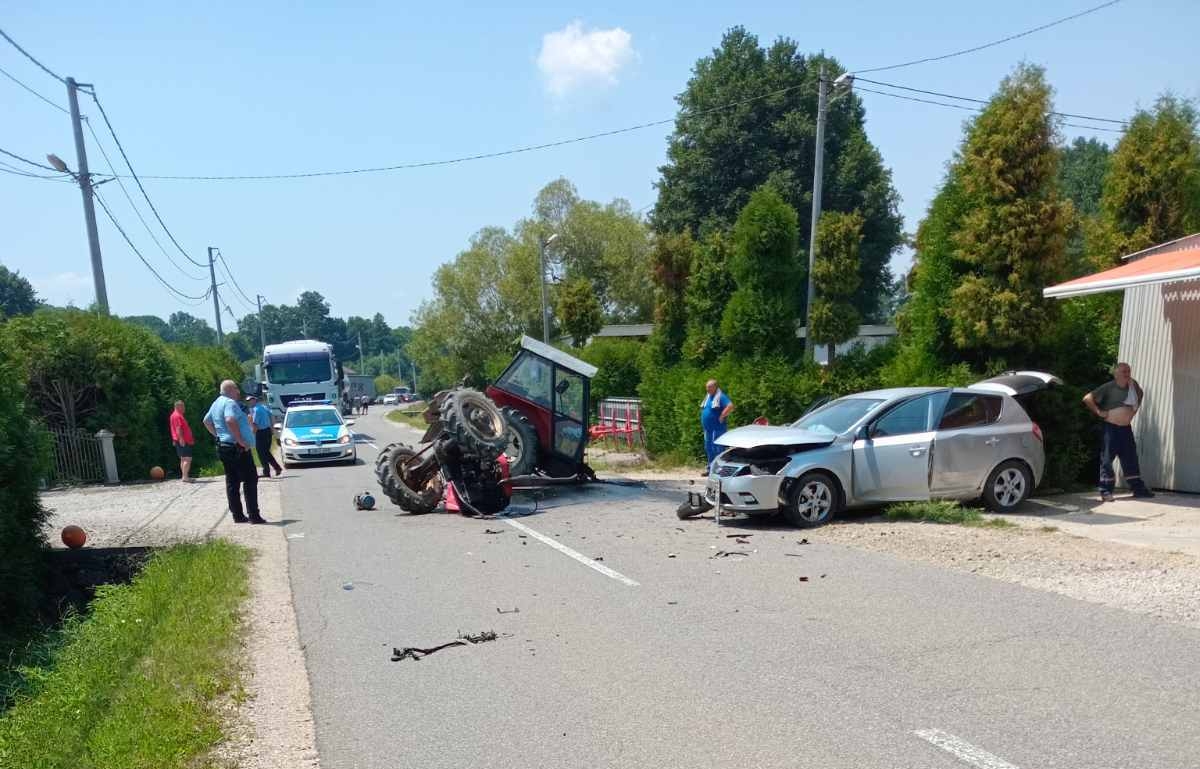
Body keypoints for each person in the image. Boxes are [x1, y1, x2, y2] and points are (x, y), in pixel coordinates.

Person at [1083, 362, 1154, 502]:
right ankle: (1105, 491)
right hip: (1111, 429)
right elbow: (1087, 398)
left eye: (1128, 371)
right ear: (1116, 374)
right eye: (1124, 372)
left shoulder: (1133, 386)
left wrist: (1135, 410)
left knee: (1131, 458)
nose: (1127, 374)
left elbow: (1141, 394)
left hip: (1126, 429)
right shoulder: (1109, 387)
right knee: (1107, 460)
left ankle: (1138, 490)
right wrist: (1098, 412)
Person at [203, 379, 266, 524]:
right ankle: (254, 515)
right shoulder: (229, 403)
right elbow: (230, 420)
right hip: (237, 448)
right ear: (230, 390)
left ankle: (237, 515)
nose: (238, 392)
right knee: (250, 479)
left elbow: (206, 421)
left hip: (224, 446)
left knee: (232, 481)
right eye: (236, 389)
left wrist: (218, 435)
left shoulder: (216, 403)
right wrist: (240, 440)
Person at [700, 379, 734, 475]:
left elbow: (730, 406)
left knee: (717, 449)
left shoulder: (721, 397)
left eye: (709, 387)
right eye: (706, 387)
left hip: (717, 428)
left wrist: (722, 415)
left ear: (715, 387)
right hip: (708, 429)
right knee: (708, 448)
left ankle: (719, 470)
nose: (707, 389)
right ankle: (710, 468)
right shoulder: (708, 397)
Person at [247, 394, 283, 479]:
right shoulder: (264, 407)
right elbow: (272, 417)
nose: (250, 402)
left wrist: (252, 435)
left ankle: (266, 471)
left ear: (255, 400)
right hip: (267, 431)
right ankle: (277, 468)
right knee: (266, 452)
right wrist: (272, 429)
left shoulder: (256, 410)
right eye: (248, 401)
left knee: (261, 453)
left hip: (261, 432)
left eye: (251, 400)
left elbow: (255, 424)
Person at [168, 400, 195, 483]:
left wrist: (175, 439)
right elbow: (178, 428)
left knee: (183, 459)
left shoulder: (175, 415)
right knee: (187, 459)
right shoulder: (177, 416)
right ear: (178, 406)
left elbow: (173, 429)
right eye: (182, 406)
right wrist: (181, 439)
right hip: (183, 440)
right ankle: (185, 477)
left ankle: (184, 476)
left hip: (179, 440)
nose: (184, 408)